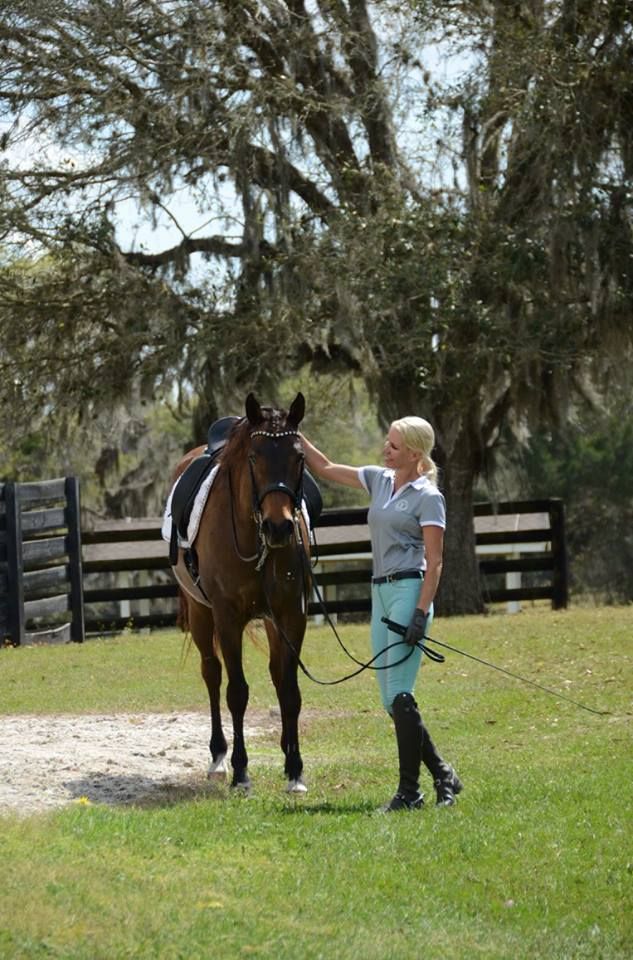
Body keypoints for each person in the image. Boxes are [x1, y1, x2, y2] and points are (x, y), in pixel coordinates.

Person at [302, 417, 462, 812]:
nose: (385, 450)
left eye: (393, 446)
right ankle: (443, 774)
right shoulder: (379, 479)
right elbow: (325, 467)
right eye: (387, 442)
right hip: (380, 593)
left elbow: (435, 562)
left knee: (400, 694)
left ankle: (410, 793)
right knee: (391, 702)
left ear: (414, 452)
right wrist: (292, 434)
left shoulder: (429, 497)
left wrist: (420, 613)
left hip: (409, 590)